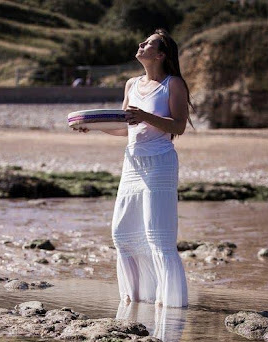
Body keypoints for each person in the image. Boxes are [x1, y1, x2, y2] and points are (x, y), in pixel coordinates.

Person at [73, 28, 196, 307]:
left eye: (149, 43)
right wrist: (91, 127)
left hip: (160, 162)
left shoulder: (173, 84)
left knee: (157, 235)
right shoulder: (131, 84)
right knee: (121, 233)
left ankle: (172, 306)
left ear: (161, 54)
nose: (141, 44)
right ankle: (137, 299)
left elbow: (178, 126)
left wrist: (146, 116)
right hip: (132, 163)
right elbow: (124, 128)